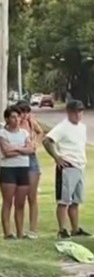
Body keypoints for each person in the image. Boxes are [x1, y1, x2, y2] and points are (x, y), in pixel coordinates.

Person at [42, 100, 91, 239]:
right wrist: (57, 157)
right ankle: (62, 229)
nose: (78, 114)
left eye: (80, 111)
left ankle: (75, 228)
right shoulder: (62, 127)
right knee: (64, 201)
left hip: (80, 165)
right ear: (69, 112)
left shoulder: (82, 127)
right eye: (75, 111)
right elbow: (47, 141)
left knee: (76, 201)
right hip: (67, 166)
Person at [0, 105, 35, 239]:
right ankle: (8, 232)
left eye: (18, 117)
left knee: (20, 203)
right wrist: (22, 149)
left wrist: (15, 148)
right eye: (13, 117)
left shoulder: (24, 133)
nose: (16, 119)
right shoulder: (3, 134)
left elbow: (31, 150)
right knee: (8, 201)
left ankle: (20, 232)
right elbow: (6, 152)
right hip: (8, 169)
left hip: (23, 168)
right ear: (7, 119)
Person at [18, 101, 43, 238]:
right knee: (19, 197)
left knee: (32, 197)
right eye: (22, 112)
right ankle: (19, 230)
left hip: (31, 160)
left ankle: (33, 230)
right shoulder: (15, 124)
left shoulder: (31, 122)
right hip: (18, 161)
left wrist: (35, 143)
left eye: (27, 112)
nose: (25, 115)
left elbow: (40, 132)